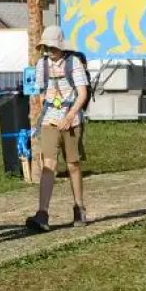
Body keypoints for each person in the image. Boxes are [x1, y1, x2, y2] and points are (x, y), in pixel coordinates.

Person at [25, 25, 91, 232]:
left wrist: (70, 115)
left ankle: (79, 207)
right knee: (49, 164)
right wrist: (46, 99)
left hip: (72, 119)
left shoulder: (74, 63)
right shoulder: (42, 65)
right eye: (45, 47)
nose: (48, 51)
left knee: (73, 164)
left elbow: (82, 93)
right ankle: (42, 213)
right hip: (50, 119)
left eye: (52, 47)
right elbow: (41, 91)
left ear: (61, 47)